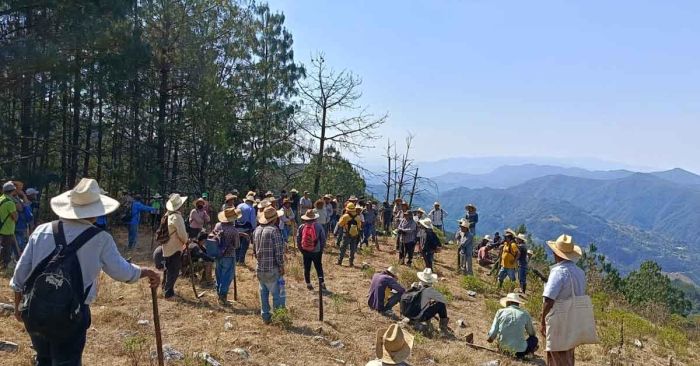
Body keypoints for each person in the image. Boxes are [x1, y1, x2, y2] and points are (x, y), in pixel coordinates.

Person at [10, 178, 160, 365]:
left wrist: (18, 307)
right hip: (71, 315)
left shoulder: (42, 230)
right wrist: (145, 272)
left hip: (36, 310)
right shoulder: (100, 239)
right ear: (96, 211)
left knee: (43, 359)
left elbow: (19, 275)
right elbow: (122, 272)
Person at [541, 234, 587, 366]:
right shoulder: (580, 272)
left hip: (559, 319)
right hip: (574, 318)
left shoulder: (558, 272)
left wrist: (542, 319)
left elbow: (549, 299)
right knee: (568, 352)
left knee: (556, 354)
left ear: (557, 254)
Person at [253, 206, 286, 323]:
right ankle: (279, 317)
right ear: (275, 219)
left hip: (260, 268)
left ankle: (265, 317)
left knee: (264, 293)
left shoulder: (256, 230)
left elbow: (254, 252)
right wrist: (281, 266)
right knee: (278, 294)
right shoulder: (274, 231)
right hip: (272, 269)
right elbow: (278, 252)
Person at [400, 268, 451, 337]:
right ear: (431, 281)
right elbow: (444, 300)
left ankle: (411, 319)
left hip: (407, 313)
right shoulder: (430, 291)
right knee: (440, 304)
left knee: (426, 304)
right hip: (418, 316)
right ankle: (442, 328)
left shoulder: (415, 285)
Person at [487, 293, 538, 359]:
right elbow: (532, 333)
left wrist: (490, 339)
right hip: (520, 352)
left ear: (509, 302)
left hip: (503, 349)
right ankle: (528, 352)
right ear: (517, 303)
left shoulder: (500, 312)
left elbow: (492, 333)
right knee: (534, 339)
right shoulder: (525, 314)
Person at [160, 193, 189, 298]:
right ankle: (168, 293)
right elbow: (182, 234)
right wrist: (186, 241)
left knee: (168, 270)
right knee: (174, 271)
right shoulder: (177, 217)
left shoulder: (167, 215)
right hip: (174, 248)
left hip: (166, 247)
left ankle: (165, 289)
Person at [214, 208, 241, 305]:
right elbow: (237, 245)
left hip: (218, 254)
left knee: (219, 275)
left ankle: (218, 293)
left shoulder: (218, 225)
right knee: (227, 276)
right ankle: (222, 296)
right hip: (229, 256)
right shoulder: (234, 230)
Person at [296, 209, 327, 291]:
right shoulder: (319, 226)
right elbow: (323, 239)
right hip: (316, 251)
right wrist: (321, 249)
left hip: (305, 250)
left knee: (307, 267)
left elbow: (298, 240)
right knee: (318, 266)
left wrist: (301, 249)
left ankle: (308, 283)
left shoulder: (301, 227)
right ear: (315, 218)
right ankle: (322, 283)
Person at [336, 202, 363, 267]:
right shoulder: (358, 217)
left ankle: (340, 261)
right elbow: (359, 227)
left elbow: (340, 224)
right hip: (355, 234)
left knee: (343, 248)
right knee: (352, 249)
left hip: (347, 234)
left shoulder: (345, 216)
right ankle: (351, 263)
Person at [0, 181, 19, 268]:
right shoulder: (10, 203)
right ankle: (5, 267)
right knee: (6, 250)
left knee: (4, 247)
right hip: (7, 230)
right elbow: (15, 217)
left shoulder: (1, 199)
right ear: (13, 191)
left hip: (1, 228)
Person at [235, 192, 257, 265]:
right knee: (244, 245)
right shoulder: (251, 208)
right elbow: (253, 221)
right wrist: (254, 228)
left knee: (238, 244)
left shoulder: (239, 206)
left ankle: (236, 259)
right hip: (246, 229)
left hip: (237, 228)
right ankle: (241, 261)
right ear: (251, 202)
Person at [14, 188, 33, 253]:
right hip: (19, 226)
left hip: (19, 226)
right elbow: (23, 210)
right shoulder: (18, 202)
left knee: (20, 245)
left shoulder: (16, 200)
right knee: (20, 246)